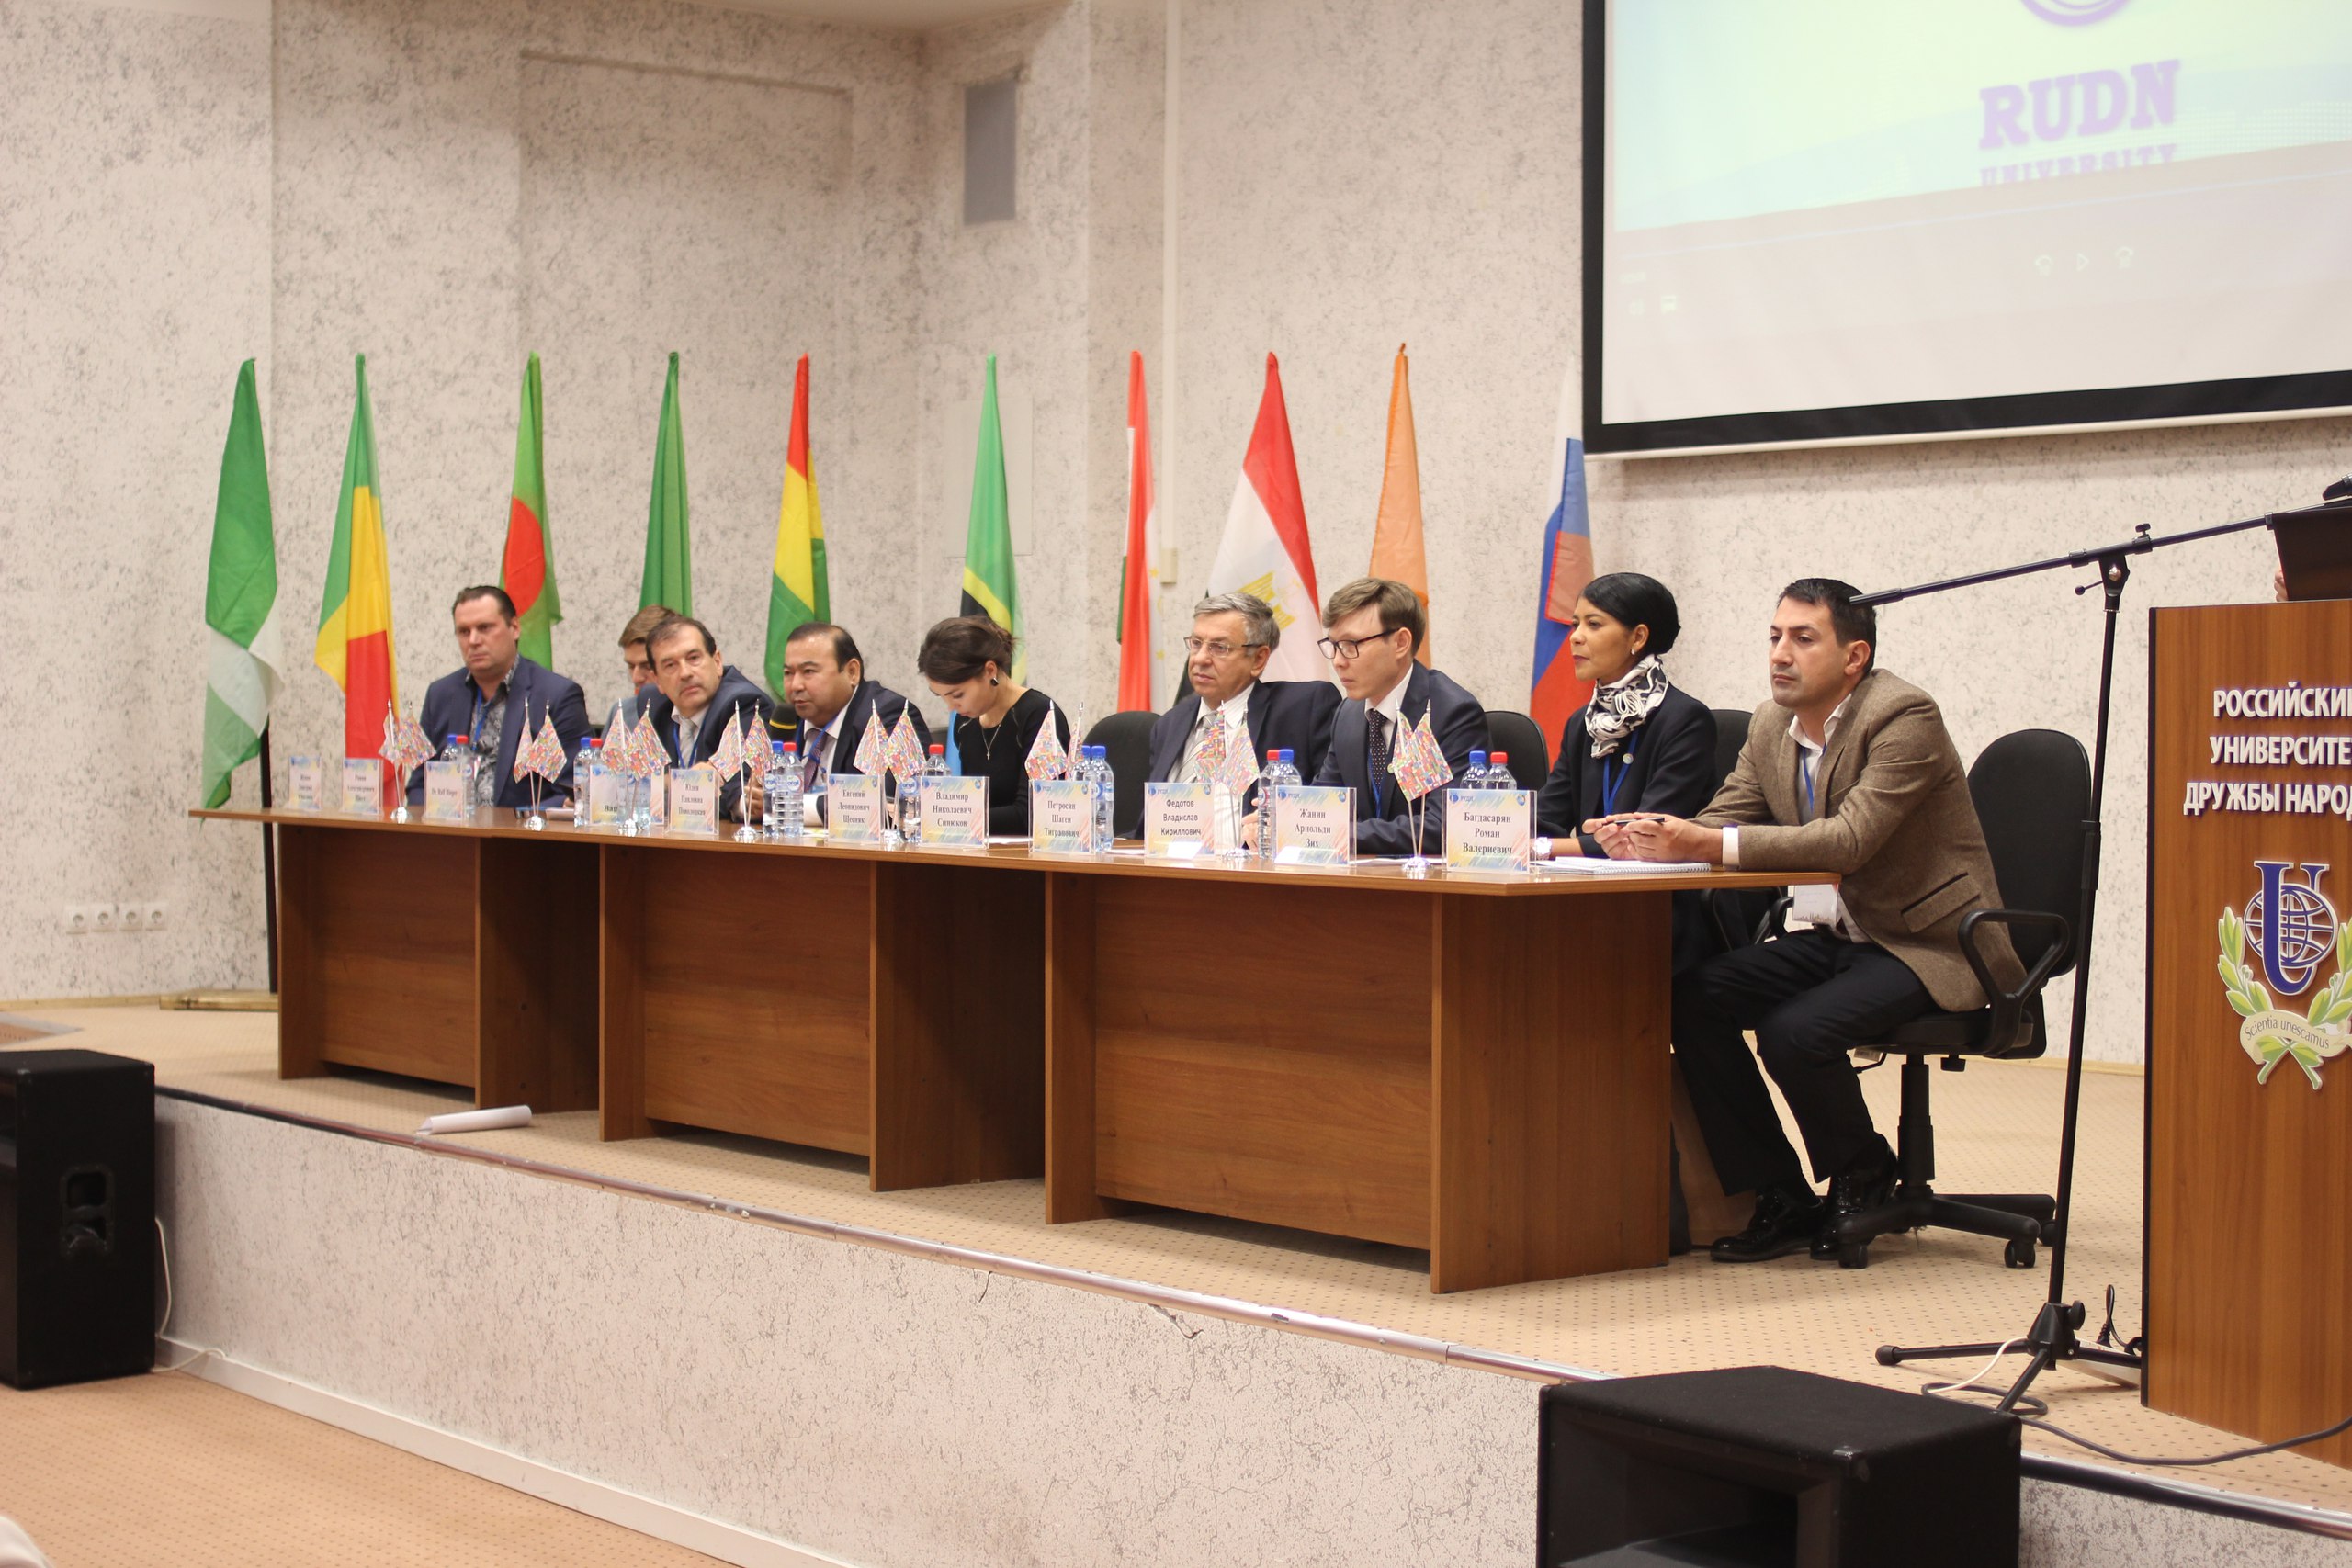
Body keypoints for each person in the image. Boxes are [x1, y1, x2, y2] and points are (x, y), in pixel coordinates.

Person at [1600, 579, 2025, 1264]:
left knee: (1793, 1031)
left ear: (1854, 656)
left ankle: (1864, 1168)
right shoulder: (1773, 726)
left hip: (1926, 943)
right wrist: (1649, 835)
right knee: (1689, 998)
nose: (1780, 654)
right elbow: (1724, 816)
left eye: (1802, 638)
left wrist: (1704, 843)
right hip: (1834, 936)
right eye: (1774, 636)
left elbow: (1849, 839)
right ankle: (1779, 1190)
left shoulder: (1903, 716)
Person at [1532, 573, 1719, 971]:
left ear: (1638, 638)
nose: (1575, 637)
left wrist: (1540, 849)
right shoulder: (1583, 723)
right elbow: (1546, 818)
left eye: (1593, 624)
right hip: (1590, 898)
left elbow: (1645, 842)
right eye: (1574, 624)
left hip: (1661, 908)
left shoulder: (1685, 720)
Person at [1132, 592, 1340, 836]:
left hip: (1254, 869)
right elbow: (1148, 829)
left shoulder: (1303, 709)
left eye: (1219, 648)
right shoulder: (1170, 724)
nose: (1200, 658)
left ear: (1258, 659)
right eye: (1196, 643)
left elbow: (1329, 814)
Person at [1308, 577, 1488, 855]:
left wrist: (1341, 833)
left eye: (1351, 644)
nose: (1338, 660)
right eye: (1333, 645)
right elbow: (1324, 804)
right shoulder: (1348, 713)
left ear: (1401, 643)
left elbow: (1448, 824)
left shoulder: (1450, 712)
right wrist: (1288, 820)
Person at [406, 585, 590, 808]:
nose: (473, 640)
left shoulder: (556, 696)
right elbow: (418, 785)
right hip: (451, 835)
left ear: (514, 628)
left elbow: (574, 792)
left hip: (521, 837)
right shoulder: (441, 694)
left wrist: (509, 823)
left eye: (484, 628)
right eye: (464, 631)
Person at [744, 622, 931, 827]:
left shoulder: (888, 717)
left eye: (808, 671)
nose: (795, 685)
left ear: (852, 672)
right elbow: (738, 786)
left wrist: (789, 806)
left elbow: (890, 800)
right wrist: (750, 801)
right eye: (788, 673)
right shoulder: (787, 720)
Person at [917, 615, 1072, 837]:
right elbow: (976, 801)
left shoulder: (1040, 716)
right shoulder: (965, 721)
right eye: (941, 697)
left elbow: (1035, 814)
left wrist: (948, 816)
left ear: (990, 670)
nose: (951, 706)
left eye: (958, 694)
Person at [639, 615, 775, 820]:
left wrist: (666, 785)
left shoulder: (743, 704)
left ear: (717, 662)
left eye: (693, 658)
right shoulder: (654, 707)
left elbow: (739, 791)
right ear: (657, 680)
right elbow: (634, 787)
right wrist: (685, 784)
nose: (685, 673)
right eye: (670, 666)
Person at [614, 603, 673, 729]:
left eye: (647, 666)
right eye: (631, 666)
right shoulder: (622, 714)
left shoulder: (709, 717)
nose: (636, 678)